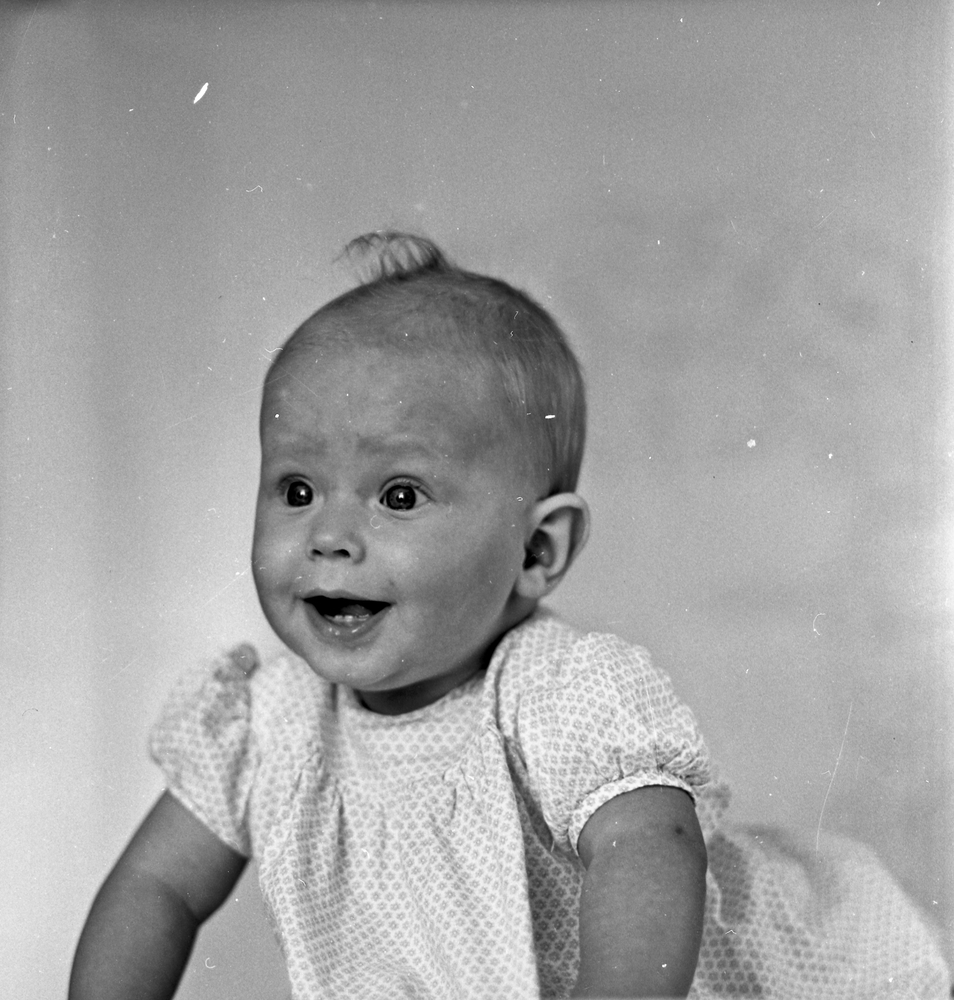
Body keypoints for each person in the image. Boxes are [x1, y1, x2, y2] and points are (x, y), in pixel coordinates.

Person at [69, 233, 950, 999]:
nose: (329, 536)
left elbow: (649, 846)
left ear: (536, 551)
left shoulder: (558, 694)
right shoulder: (266, 724)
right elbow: (156, 888)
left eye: (398, 495)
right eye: (297, 489)